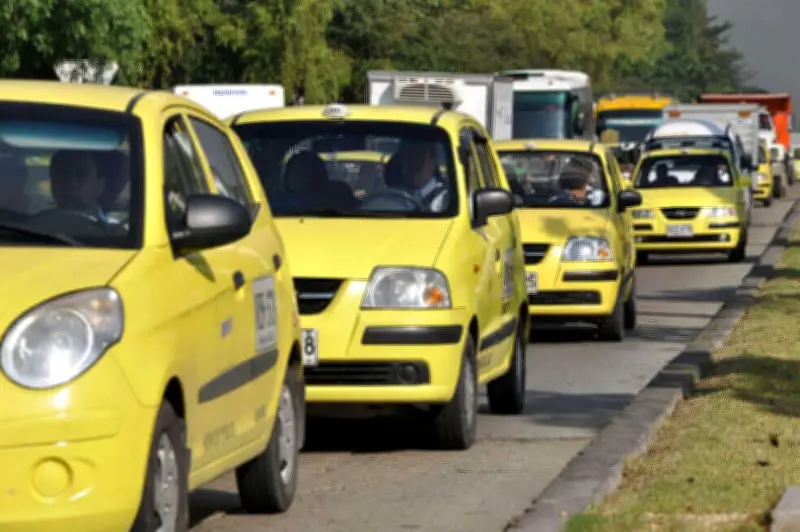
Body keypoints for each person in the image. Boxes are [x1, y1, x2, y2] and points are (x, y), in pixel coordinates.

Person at [384, 140, 448, 212]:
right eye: (407, 158)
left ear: (433, 161)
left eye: (419, 156)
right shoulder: (391, 199)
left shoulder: (444, 199)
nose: (414, 162)